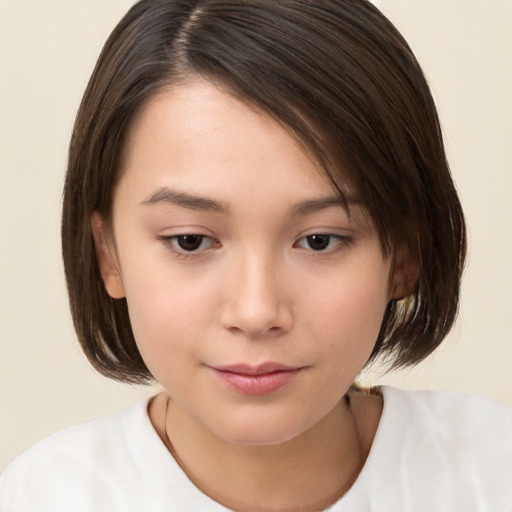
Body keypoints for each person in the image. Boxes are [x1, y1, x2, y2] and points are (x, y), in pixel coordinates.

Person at [1, 0, 511, 510]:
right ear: (108, 254)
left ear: (403, 254)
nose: (256, 311)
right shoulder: (42, 496)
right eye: (190, 241)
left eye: (319, 240)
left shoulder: (492, 472)